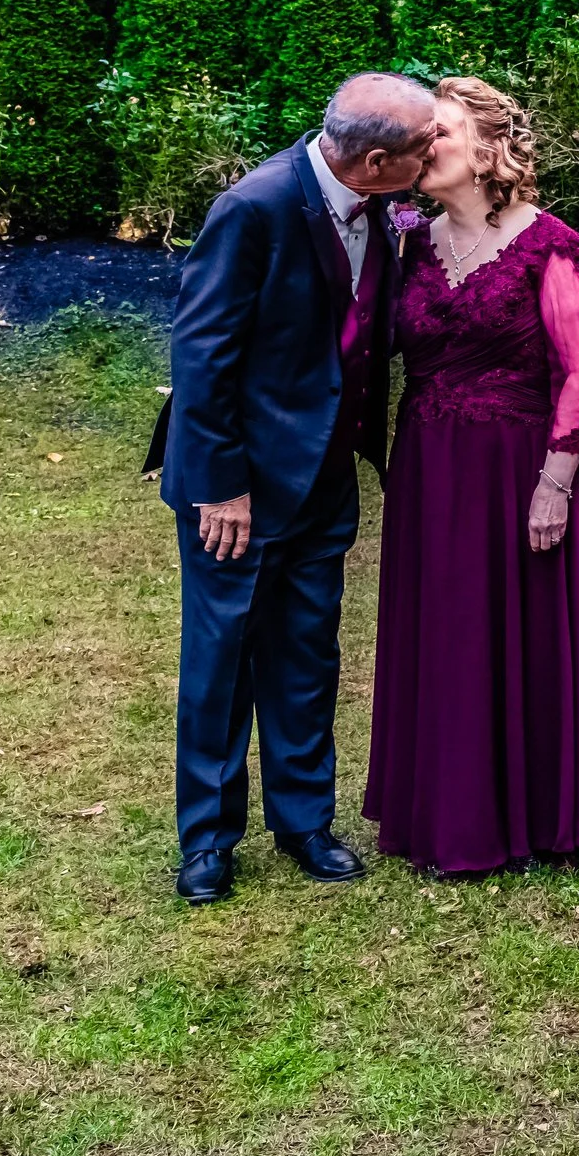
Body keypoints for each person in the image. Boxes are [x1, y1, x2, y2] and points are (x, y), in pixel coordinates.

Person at [361, 78, 579, 876]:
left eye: (442, 133)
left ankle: (546, 810)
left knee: (528, 629)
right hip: (431, 469)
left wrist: (556, 480)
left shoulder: (551, 242)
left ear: (491, 148)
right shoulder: (411, 243)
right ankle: (454, 810)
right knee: (450, 630)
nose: (427, 148)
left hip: (526, 465)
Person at [154, 72, 436, 905]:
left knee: (308, 651)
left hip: (325, 477)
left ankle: (305, 821)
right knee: (222, 659)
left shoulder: (383, 210)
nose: (434, 155)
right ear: (380, 158)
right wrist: (221, 488)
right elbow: (201, 354)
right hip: (237, 488)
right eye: (424, 148)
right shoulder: (255, 207)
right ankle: (206, 840)